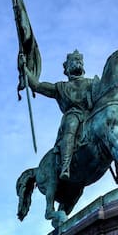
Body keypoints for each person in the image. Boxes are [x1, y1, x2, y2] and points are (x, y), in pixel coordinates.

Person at [21, 50, 95, 180]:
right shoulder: (60, 87)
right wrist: (25, 69)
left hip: (91, 114)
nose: (78, 62)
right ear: (67, 68)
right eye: (74, 60)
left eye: (80, 61)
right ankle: (65, 166)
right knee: (71, 126)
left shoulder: (92, 83)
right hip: (73, 115)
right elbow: (37, 86)